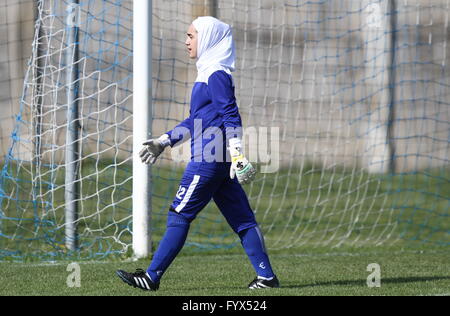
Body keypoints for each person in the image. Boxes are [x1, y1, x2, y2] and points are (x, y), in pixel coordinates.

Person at [116, 16, 279, 291]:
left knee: (179, 215)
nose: (186, 41)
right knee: (242, 220)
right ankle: (267, 277)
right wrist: (164, 140)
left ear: (209, 38)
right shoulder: (209, 71)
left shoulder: (215, 73)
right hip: (217, 159)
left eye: (191, 36)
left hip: (208, 159)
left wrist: (238, 154)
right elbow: (196, 120)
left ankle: (151, 277)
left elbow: (231, 114)